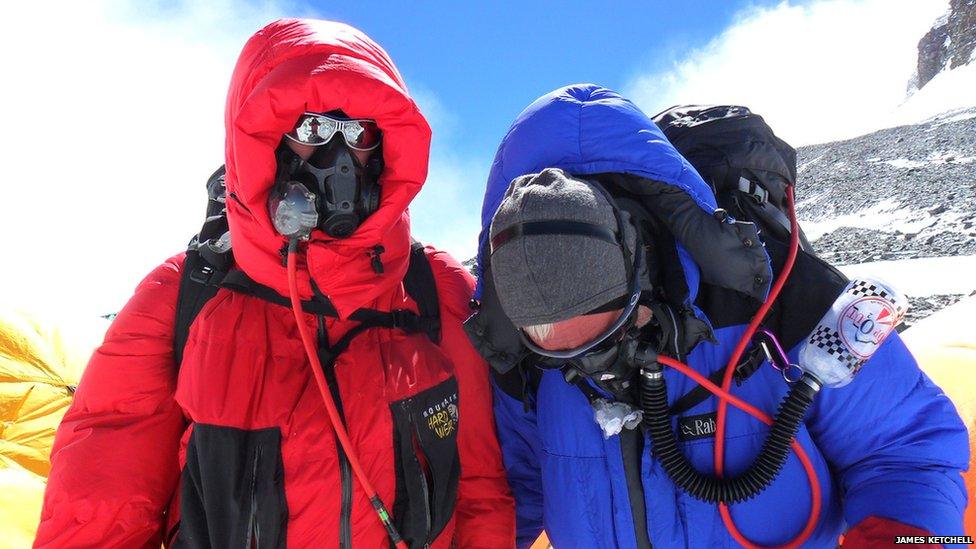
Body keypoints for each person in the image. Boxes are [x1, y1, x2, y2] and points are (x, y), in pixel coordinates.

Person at [35, 18, 514, 548]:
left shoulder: (434, 290)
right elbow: (100, 513)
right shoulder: (184, 297)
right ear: (262, 140)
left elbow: (480, 495)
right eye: (309, 128)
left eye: (358, 134)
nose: (339, 158)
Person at [465, 84, 969, 548]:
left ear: (638, 269)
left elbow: (908, 449)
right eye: (549, 338)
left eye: (604, 327)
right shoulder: (524, 364)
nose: (591, 362)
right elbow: (519, 489)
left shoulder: (785, 301)